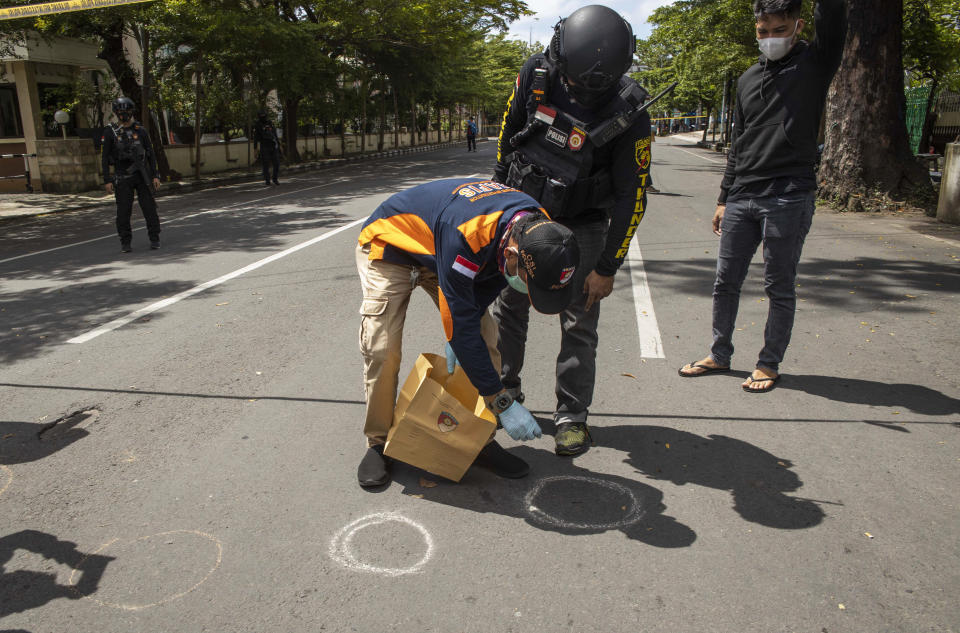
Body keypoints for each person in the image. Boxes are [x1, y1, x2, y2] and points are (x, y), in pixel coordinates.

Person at [491, 4, 652, 456]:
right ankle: (503, 394)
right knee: (510, 309)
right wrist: (499, 226)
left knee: (580, 320)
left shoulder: (629, 111)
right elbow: (506, 149)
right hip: (523, 217)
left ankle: (572, 416)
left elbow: (632, 196)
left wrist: (607, 266)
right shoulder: (537, 75)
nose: (582, 95)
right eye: (576, 86)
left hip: (583, 226)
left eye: (592, 90)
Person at [356, 178, 581, 487]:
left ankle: (479, 440)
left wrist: (468, 326)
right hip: (394, 244)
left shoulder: (538, 231)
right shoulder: (467, 234)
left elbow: (493, 278)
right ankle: (378, 443)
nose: (528, 291)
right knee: (383, 347)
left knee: (485, 338)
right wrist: (502, 402)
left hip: (440, 251)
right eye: (531, 283)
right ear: (514, 254)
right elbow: (462, 321)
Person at [678, 0, 846, 392]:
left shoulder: (814, 65)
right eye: (763, 31)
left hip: (788, 194)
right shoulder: (748, 78)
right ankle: (719, 354)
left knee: (778, 284)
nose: (770, 38)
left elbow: (834, 20)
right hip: (742, 196)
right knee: (725, 281)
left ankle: (769, 363)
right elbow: (738, 141)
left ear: (798, 26)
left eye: (780, 30)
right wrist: (723, 198)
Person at [101, 97, 161, 253]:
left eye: (126, 111)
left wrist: (155, 175)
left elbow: (151, 154)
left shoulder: (140, 131)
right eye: (120, 112)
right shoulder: (110, 132)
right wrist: (107, 179)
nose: (123, 115)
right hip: (122, 177)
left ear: (131, 112)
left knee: (149, 209)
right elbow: (105, 157)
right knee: (123, 212)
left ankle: (154, 238)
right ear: (116, 113)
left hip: (142, 176)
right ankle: (125, 242)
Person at [254, 110, 281, 186]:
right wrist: (255, 149)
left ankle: (275, 178)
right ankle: (267, 180)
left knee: (277, 163)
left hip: (273, 145)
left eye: (264, 115)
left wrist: (279, 145)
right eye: (261, 116)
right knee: (265, 164)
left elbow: (275, 134)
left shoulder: (270, 123)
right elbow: (255, 137)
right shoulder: (258, 124)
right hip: (264, 146)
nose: (263, 117)